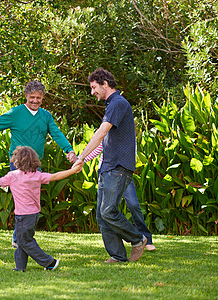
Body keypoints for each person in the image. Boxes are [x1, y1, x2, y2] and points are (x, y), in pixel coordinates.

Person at [0, 80, 78, 247]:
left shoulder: (46, 116)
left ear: (43, 98)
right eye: (32, 97)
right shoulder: (16, 113)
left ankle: (21, 236)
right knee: (22, 200)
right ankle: (19, 238)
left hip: (35, 165)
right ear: (26, 96)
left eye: (39, 98)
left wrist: (69, 151)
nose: (35, 101)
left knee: (32, 201)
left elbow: (57, 134)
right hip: (18, 164)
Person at [73, 68, 147, 263]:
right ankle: (118, 255)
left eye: (93, 87)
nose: (92, 92)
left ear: (105, 83)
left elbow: (100, 133)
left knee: (108, 211)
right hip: (108, 166)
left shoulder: (118, 103)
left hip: (119, 166)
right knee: (101, 215)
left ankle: (138, 239)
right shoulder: (113, 104)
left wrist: (81, 157)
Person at [0, 146, 80, 271]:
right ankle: (20, 267)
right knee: (22, 241)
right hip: (34, 215)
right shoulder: (37, 175)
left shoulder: (13, 176)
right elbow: (56, 176)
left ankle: (50, 262)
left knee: (24, 242)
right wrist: (73, 170)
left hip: (23, 216)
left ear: (17, 160)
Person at [83, 141, 156, 251]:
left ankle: (146, 239)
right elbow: (98, 148)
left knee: (134, 204)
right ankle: (119, 248)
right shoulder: (107, 129)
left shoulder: (127, 132)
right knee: (107, 210)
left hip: (122, 172)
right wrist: (81, 160)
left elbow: (132, 153)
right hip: (106, 173)